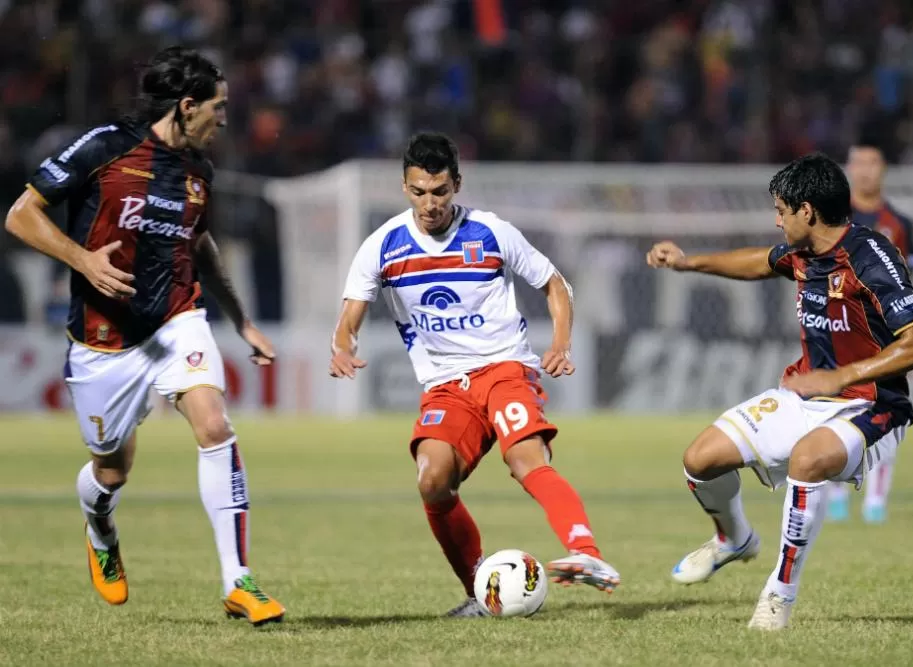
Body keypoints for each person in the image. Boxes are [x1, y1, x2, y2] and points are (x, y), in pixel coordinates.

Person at [4, 46, 285, 626]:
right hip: (103, 339)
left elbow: (199, 243)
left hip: (175, 319)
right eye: (219, 106)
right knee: (111, 470)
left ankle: (239, 581)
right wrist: (82, 259)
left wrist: (241, 319)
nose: (225, 118)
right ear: (187, 106)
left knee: (215, 425)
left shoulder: (199, 173)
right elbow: (21, 215)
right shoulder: (106, 146)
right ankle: (100, 525)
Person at [330, 132, 620, 617]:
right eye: (419, 191)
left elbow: (555, 283)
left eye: (439, 191)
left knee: (527, 459)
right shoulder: (382, 246)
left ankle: (587, 554)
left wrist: (560, 343)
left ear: (457, 185)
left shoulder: (490, 232)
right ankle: (478, 594)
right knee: (432, 480)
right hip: (446, 385)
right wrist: (343, 346)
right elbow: (349, 317)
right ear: (404, 186)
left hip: (504, 368)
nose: (430, 204)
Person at [645, 153, 913, 630]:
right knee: (698, 461)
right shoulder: (803, 253)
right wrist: (687, 262)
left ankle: (779, 595)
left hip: (871, 404)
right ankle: (733, 538)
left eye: (781, 209)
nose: (775, 219)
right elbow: (760, 262)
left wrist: (842, 377)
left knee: (808, 460)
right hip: (805, 395)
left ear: (808, 211)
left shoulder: (871, 257)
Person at [826, 137, 913, 523]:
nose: (865, 170)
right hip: (840, 331)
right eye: (859, 163)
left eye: (872, 162)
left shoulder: (899, 224)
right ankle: (834, 492)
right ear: (849, 170)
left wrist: (912, 338)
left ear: (883, 169)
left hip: (886, 337)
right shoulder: (831, 217)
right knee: (833, 412)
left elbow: (909, 284)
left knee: (888, 414)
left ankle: (876, 501)